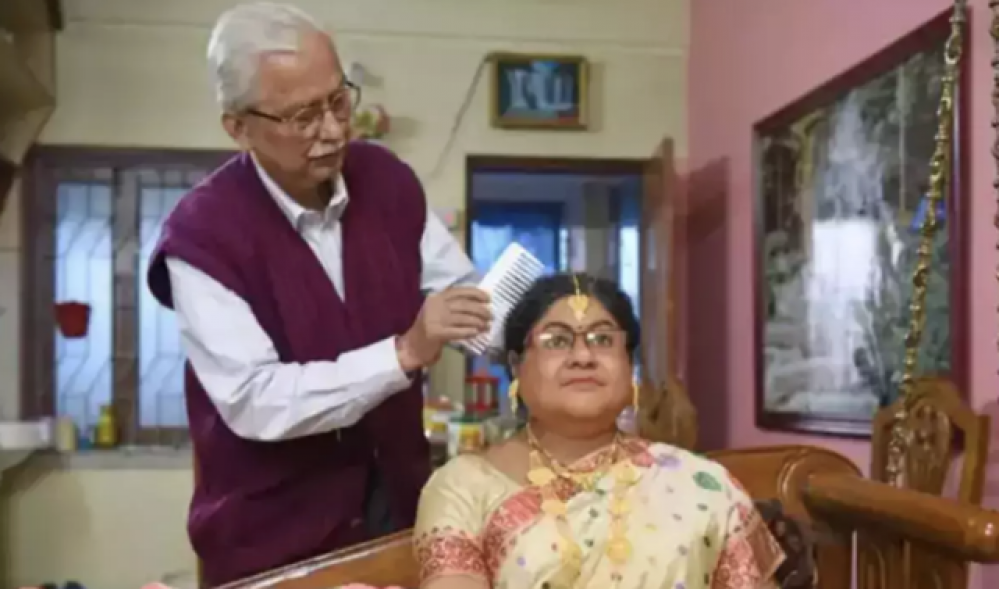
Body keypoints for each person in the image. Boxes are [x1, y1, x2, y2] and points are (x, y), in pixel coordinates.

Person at [145, 3, 491, 586]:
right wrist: (404, 352)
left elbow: (458, 291)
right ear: (238, 127)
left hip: (398, 512)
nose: (332, 130)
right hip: (273, 541)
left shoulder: (385, 181)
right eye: (302, 116)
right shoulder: (201, 236)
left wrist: (538, 333)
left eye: (338, 100)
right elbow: (256, 400)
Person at [414, 274, 784, 589]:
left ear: (629, 363)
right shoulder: (463, 488)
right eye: (557, 341)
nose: (583, 357)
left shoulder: (705, 486)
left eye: (603, 340)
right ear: (515, 366)